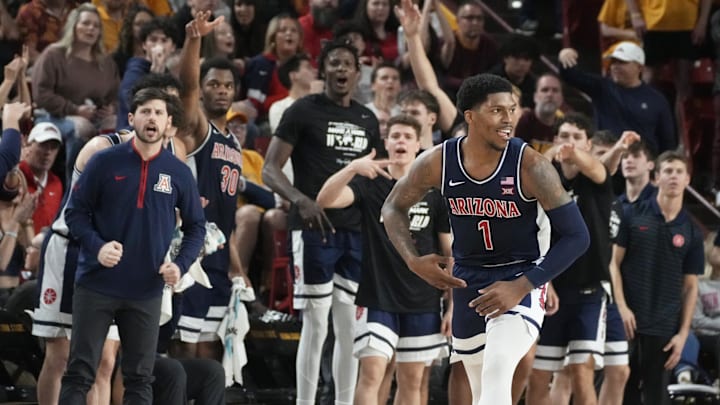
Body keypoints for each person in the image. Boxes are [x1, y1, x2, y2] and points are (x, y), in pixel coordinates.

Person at [381, 70, 590, 404]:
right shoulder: (439, 161)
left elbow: (578, 236)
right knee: (481, 392)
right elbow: (391, 208)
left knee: (497, 370)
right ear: (470, 116)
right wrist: (412, 260)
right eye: (497, 110)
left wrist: (525, 284)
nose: (508, 119)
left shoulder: (531, 165)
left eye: (512, 109)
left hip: (520, 277)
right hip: (468, 281)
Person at [58, 87, 206, 405]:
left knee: (140, 378)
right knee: (79, 372)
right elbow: (74, 212)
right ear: (131, 118)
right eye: (145, 111)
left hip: (146, 290)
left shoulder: (179, 172)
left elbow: (196, 228)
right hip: (96, 283)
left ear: (168, 123)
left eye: (158, 112)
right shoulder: (103, 161)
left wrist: (179, 266)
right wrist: (97, 247)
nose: (151, 117)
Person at [262, 38, 383, 405]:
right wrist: (301, 200)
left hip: (355, 231)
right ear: (323, 70)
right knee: (316, 323)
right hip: (313, 231)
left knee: (348, 327)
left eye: (348, 64)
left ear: (358, 73)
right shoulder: (302, 110)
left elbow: (373, 175)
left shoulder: (367, 118)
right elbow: (269, 168)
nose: (341, 70)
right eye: (335, 63)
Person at [316, 115, 451, 405]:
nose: (400, 140)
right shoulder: (370, 186)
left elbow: (450, 254)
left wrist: (453, 305)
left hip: (423, 300)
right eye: (395, 136)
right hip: (376, 297)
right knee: (372, 373)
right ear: (386, 143)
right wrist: (352, 167)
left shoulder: (435, 193)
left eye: (406, 136)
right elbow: (324, 200)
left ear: (418, 145)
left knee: (412, 381)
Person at [173, 11, 249, 359]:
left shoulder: (233, 142)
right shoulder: (197, 127)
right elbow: (185, 85)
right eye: (214, 84)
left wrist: (237, 266)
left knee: (212, 353)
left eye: (228, 86)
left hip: (219, 255)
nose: (221, 91)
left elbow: (228, 215)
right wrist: (194, 40)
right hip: (193, 253)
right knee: (183, 350)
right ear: (203, 88)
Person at [527, 114, 614, 405]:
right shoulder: (544, 181)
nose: (570, 143)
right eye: (564, 136)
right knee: (538, 374)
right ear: (553, 141)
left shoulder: (597, 179)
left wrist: (571, 151)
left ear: (589, 144)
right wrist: (545, 279)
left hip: (589, 290)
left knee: (581, 370)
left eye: (577, 137)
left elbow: (596, 168)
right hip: (552, 287)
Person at [609, 150, 704, 404]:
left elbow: (691, 287)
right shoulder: (632, 215)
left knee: (657, 398)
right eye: (668, 171)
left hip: (664, 327)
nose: (673, 177)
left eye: (679, 172)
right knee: (621, 392)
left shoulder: (692, 232)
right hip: (628, 323)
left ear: (687, 179)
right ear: (657, 178)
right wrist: (621, 307)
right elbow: (613, 263)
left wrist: (683, 334)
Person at [557, 41, 676, 156]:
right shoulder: (602, 88)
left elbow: (667, 141)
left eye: (622, 62)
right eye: (613, 62)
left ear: (639, 67)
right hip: (606, 161)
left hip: (641, 164)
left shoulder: (656, 100)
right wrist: (564, 56)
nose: (615, 67)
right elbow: (571, 76)